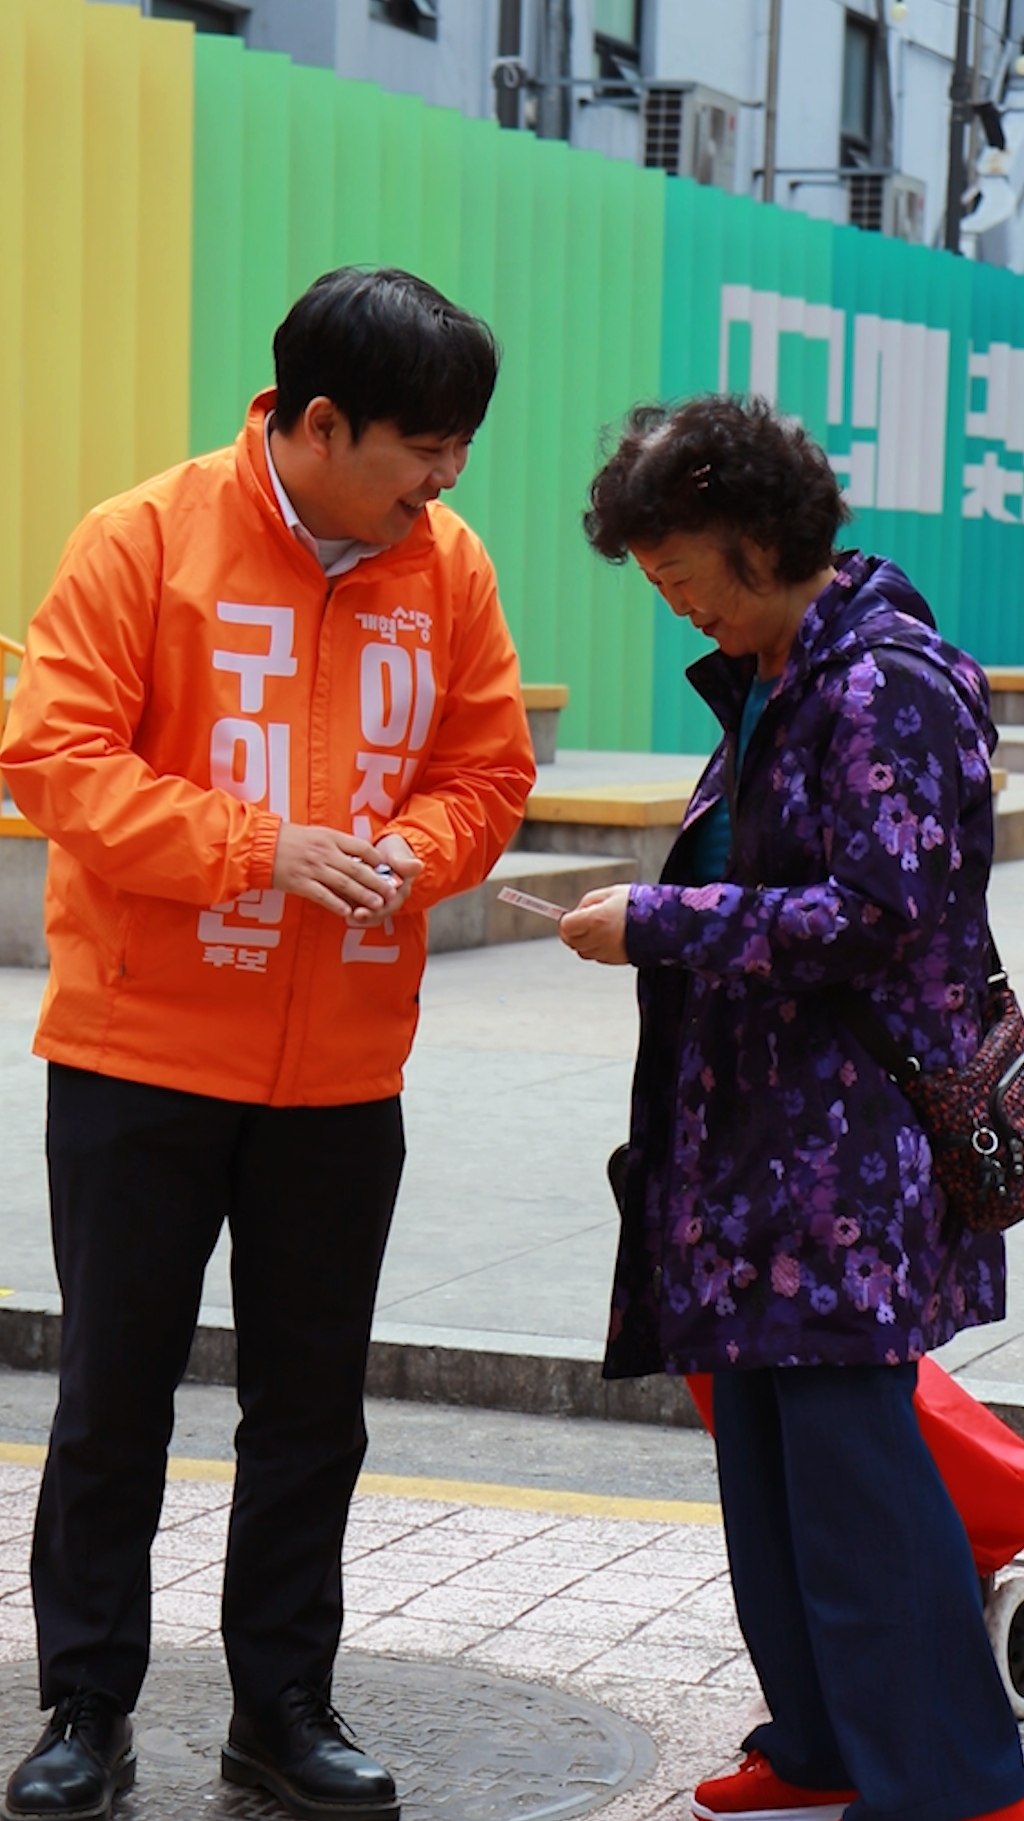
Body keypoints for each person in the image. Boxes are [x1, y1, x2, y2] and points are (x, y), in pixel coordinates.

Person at [0, 266, 534, 1821]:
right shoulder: (144, 539)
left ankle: (281, 1707)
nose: (447, 477)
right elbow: (54, 758)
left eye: (460, 445)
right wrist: (259, 849)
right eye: (422, 445)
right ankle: (85, 1708)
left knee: (312, 1411)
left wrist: (413, 853)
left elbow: (487, 771)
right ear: (317, 423)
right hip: (139, 1056)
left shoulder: (449, 568)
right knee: (113, 1401)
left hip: (343, 1071)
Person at [559, 395, 1024, 1821]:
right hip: (764, 1146)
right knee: (771, 1464)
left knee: (852, 1473)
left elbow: (880, 914)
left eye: (680, 570)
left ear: (760, 541)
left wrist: (660, 921)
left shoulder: (887, 685)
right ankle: (821, 1742)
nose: (674, 602)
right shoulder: (780, 671)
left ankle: (954, 1778)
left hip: (848, 1154)